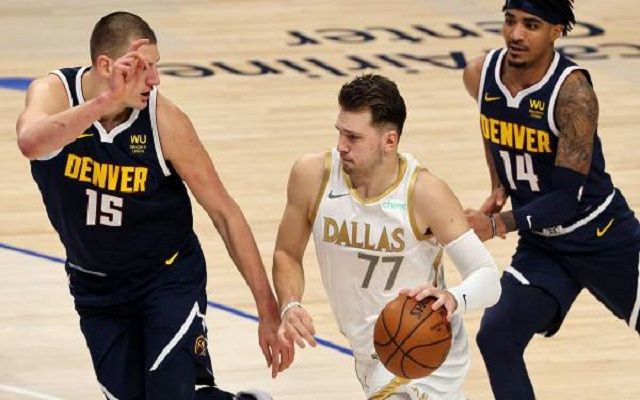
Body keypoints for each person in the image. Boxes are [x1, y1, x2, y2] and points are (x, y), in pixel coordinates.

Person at [16, 11, 282, 400]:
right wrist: (104, 102)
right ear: (106, 66)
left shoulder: (164, 121)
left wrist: (267, 308)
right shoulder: (53, 93)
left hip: (167, 277)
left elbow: (224, 213)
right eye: (143, 68)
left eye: (156, 66)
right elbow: (30, 143)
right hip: (95, 285)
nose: (155, 79)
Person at [271, 74, 501, 400]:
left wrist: (452, 298)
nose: (341, 145)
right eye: (340, 132)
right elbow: (286, 253)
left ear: (389, 141)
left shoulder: (425, 193)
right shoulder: (312, 176)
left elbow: (488, 278)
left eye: (353, 137)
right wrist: (290, 304)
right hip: (372, 353)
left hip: (427, 351)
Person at [462, 1, 640, 399]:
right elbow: (493, 127)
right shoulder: (480, 75)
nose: (516, 34)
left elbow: (564, 200)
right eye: (510, 21)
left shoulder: (574, 95)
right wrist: (499, 184)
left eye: (531, 25)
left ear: (556, 31)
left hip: (601, 235)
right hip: (543, 244)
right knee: (497, 336)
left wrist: (496, 224)